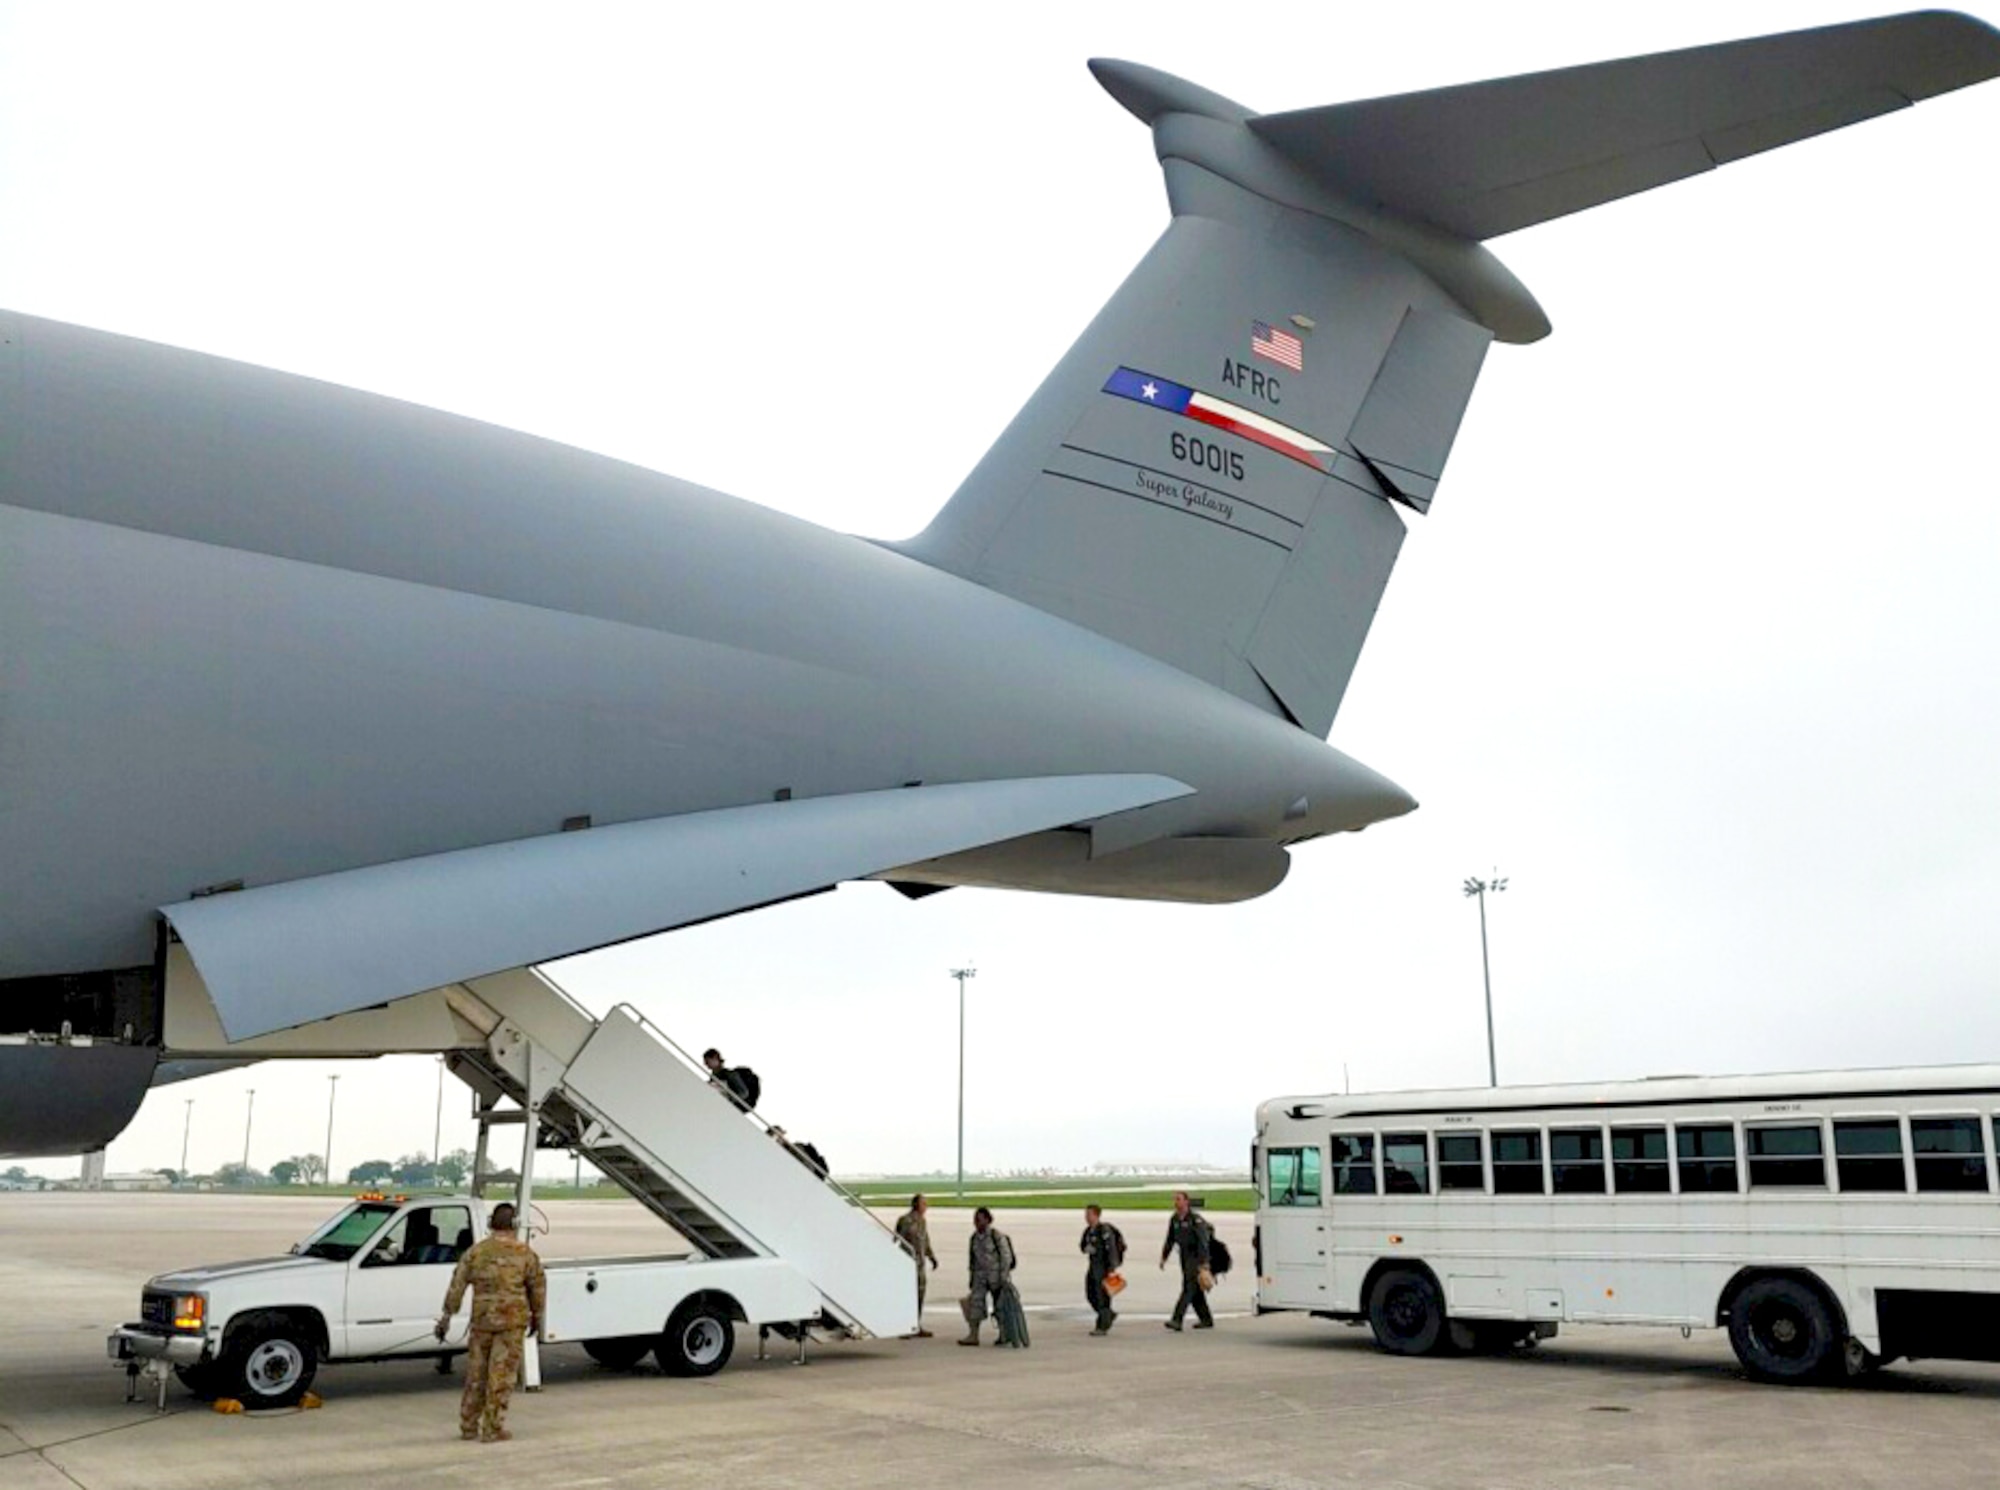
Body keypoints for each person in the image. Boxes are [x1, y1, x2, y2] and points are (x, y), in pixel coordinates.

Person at [436, 1201, 546, 1443]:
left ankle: (468, 1426)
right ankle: (492, 1427)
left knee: (476, 1375)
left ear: (490, 1224)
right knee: (502, 1375)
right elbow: (537, 1288)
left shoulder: (476, 1252)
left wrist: (446, 1317)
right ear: (515, 1224)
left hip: (482, 1322)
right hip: (511, 1323)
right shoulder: (525, 1254)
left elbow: (457, 1285)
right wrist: (538, 1317)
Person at [959, 1206, 1022, 1346]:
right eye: (975, 1220)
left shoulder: (996, 1236)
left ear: (987, 1220)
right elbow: (972, 1260)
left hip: (996, 1278)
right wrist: (971, 1278)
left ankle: (1004, 1335)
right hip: (980, 1278)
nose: (976, 1223)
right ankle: (973, 1335)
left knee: (1000, 1308)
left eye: (979, 1220)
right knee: (974, 1305)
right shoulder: (974, 1238)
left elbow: (1006, 1257)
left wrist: (1003, 1276)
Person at [1158, 1190, 1214, 1332]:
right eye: (1175, 1200)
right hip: (1184, 1257)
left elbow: (1203, 1242)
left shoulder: (1195, 1220)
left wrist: (1204, 1263)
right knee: (1195, 1291)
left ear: (1186, 1202)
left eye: (1179, 1199)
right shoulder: (1175, 1220)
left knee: (1188, 1288)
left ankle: (1177, 1319)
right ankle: (1206, 1319)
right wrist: (1164, 1257)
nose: (1176, 1202)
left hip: (1196, 1258)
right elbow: (1170, 1240)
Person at [895, 1193, 940, 1337]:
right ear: (916, 1205)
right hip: (907, 1265)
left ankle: (916, 1325)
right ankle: (904, 1326)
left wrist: (932, 1256)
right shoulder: (904, 1221)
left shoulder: (922, 1221)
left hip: (920, 1265)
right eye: (924, 1204)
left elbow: (925, 1241)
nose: (926, 1207)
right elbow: (897, 1240)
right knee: (908, 1296)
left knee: (919, 1295)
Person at [1080, 1204, 1126, 1335]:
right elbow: (1082, 1246)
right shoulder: (1088, 1231)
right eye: (1086, 1215)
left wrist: (1112, 1268)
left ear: (1096, 1215)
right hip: (1093, 1266)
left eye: (1089, 1214)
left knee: (1102, 1297)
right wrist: (1087, 1248)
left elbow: (1111, 1249)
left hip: (1104, 1268)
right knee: (1090, 1295)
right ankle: (1108, 1315)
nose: (1086, 1217)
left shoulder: (1104, 1230)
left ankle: (1101, 1326)